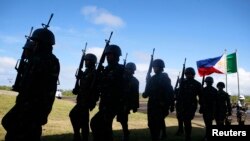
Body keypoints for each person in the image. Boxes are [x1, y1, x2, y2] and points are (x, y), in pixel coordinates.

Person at [2, 27, 60, 141]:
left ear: (41, 43)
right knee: (11, 123)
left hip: (32, 106)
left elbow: (42, 87)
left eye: (35, 42)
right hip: (30, 105)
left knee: (18, 131)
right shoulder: (47, 59)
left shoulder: (42, 60)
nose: (33, 45)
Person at [90, 44, 125, 141]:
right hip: (105, 103)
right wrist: (99, 74)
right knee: (104, 126)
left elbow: (120, 87)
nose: (107, 57)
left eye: (110, 55)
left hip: (113, 103)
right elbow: (100, 85)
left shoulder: (120, 69)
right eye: (106, 55)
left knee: (96, 123)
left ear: (116, 56)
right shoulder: (106, 69)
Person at [142, 59, 174, 141]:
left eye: (155, 67)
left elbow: (169, 92)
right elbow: (146, 94)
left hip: (160, 106)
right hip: (152, 105)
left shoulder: (165, 78)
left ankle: (157, 137)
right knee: (151, 124)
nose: (154, 69)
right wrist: (147, 84)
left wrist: (167, 105)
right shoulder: (152, 78)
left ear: (161, 67)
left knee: (157, 125)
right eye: (153, 67)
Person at [69, 53, 98, 141]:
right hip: (81, 99)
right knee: (77, 117)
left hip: (86, 100)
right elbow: (81, 87)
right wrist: (77, 86)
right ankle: (78, 134)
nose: (85, 62)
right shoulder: (85, 72)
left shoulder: (94, 73)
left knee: (81, 120)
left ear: (92, 62)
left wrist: (92, 100)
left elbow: (94, 88)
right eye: (85, 60)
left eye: (87, 60)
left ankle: (80, 136)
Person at [116, 62, 139, 141]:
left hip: (126, 103)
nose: (129, 71)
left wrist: (135, 106)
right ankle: (125, 132)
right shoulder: (120, 77)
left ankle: (125, 133)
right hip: (117, 100)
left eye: (131, 69)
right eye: (128, 69)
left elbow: (135, 94)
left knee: (123, 119)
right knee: (121, 119)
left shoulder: (135, 81)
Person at [178, 67, 202, 141]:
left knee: (187, 120)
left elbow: (201, 96)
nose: (188, 75)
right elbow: (179, 93)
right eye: (187, 74)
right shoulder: (183, 82)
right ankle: (187, 135)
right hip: (183, 104)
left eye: (190, 74)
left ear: (193, 75)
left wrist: (201, 105)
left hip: (191, 105)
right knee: (185, 120)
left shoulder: (197, 84)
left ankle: (188, 136)